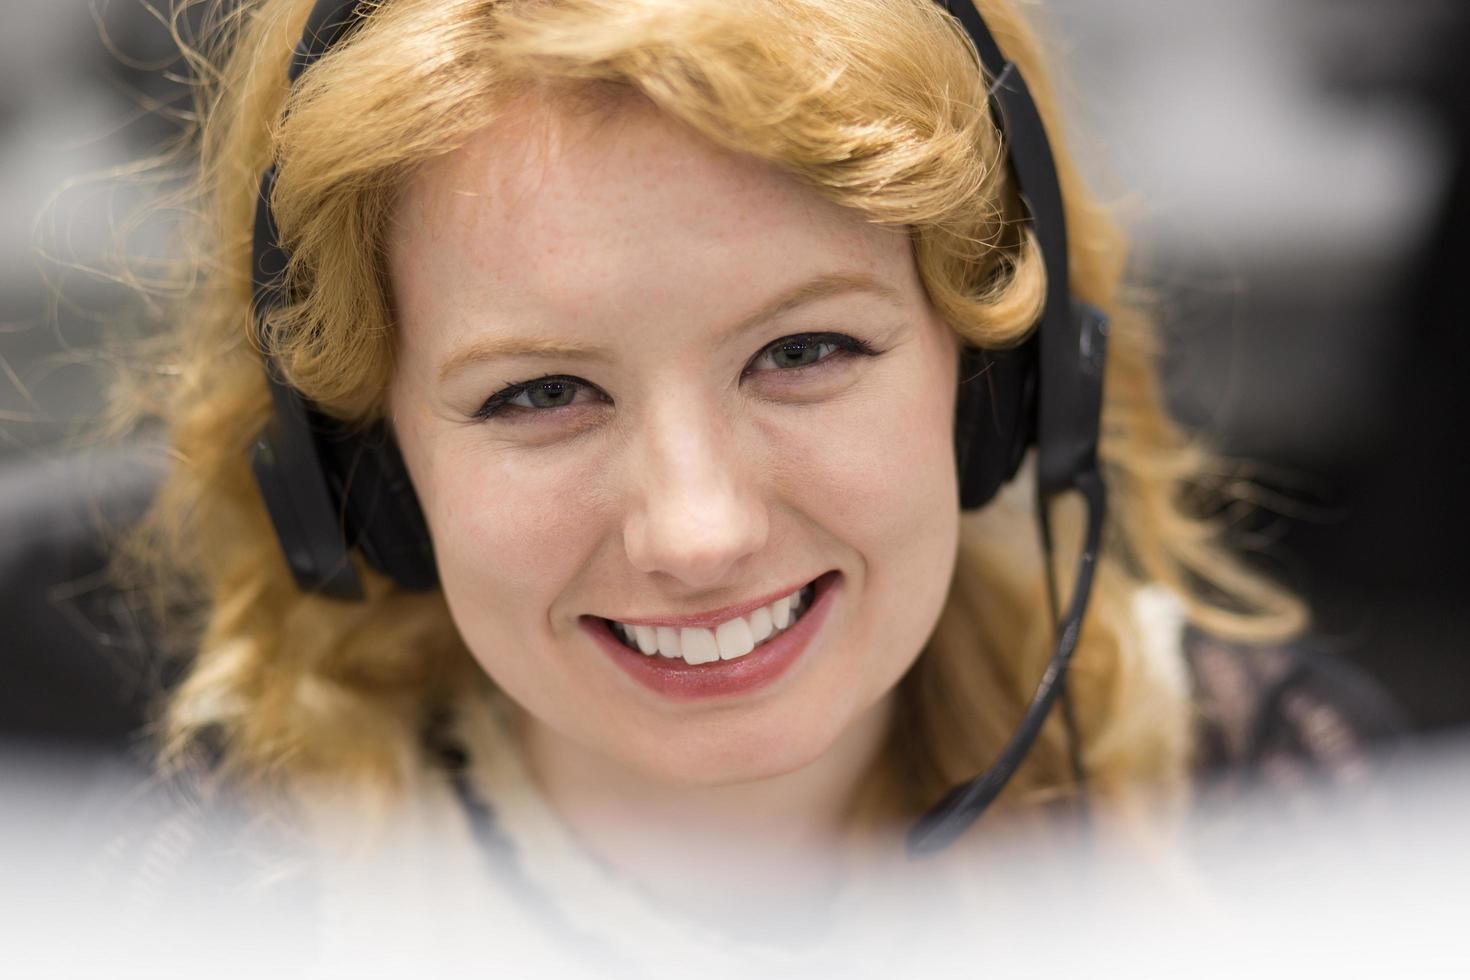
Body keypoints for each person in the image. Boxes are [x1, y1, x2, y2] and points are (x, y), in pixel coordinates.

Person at [94, 0, 1405, 971]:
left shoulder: (1255, 801)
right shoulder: (231, 890)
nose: (698, 531)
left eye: (805, 351)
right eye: (538, 394)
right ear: (361, 471)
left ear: (998, 384)